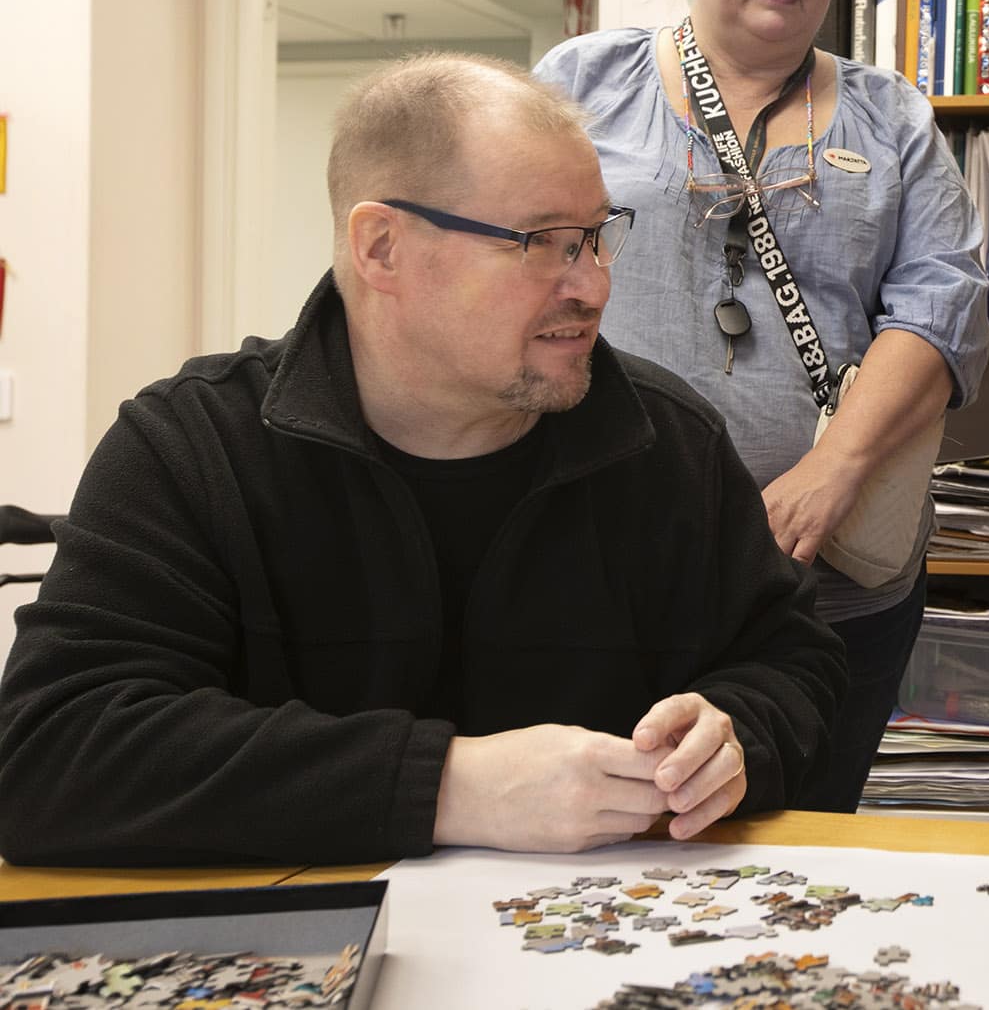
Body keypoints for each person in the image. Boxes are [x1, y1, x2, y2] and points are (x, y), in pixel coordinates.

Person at [0, 54, 846, 866]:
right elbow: (47, 757)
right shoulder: (190, 447)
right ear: (382, 249)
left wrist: (735, 732)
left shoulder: (667, 443)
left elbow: (796, 663)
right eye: (542, 242)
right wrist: (449, 785)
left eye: (594, 236)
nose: (592, 285)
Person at [535, 0, 989, 813]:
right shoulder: (580, 85)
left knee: (800, 844)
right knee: (607, 839)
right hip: (603, 568)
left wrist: (832, 470)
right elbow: (511, 271)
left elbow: (942, 307)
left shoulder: (892, 117)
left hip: (825, 583)